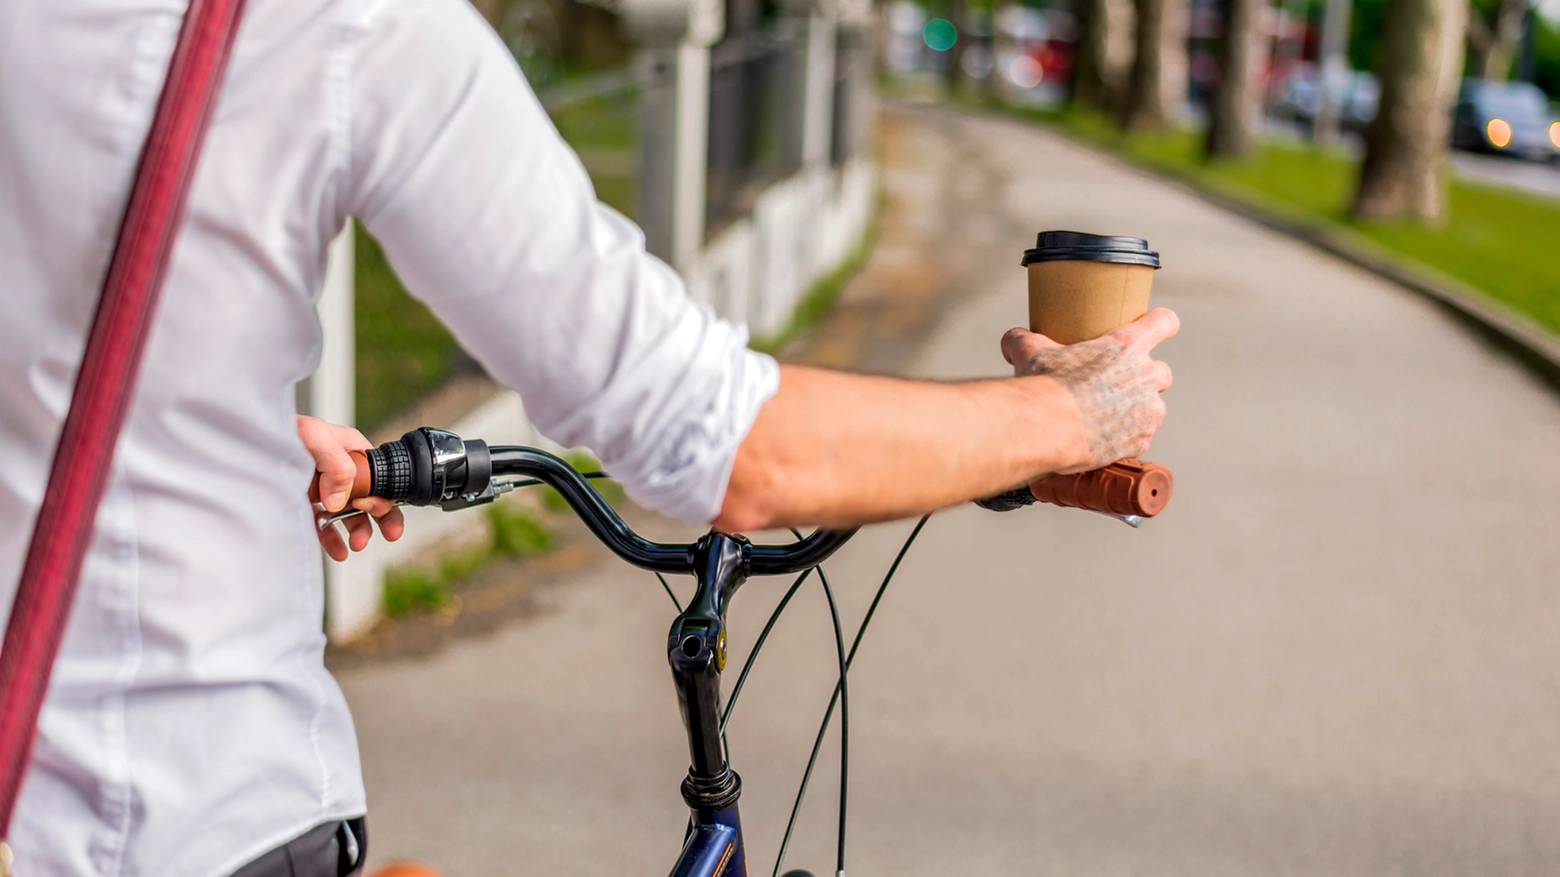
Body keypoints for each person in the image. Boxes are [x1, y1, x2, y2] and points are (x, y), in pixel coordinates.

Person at [0, 0, 1176, 874]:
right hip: (173, 821)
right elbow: (717, 442)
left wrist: (207, 428)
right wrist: (1065, 415)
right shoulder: (329, 28)